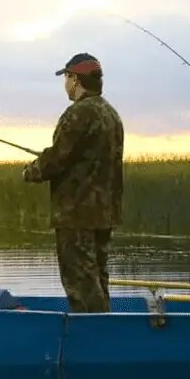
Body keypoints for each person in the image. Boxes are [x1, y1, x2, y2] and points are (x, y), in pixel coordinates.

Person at [23, 53, 124, 313]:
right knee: (98, 277)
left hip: (76, 212)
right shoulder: (111, 114)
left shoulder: (77, 113)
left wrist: (31, 170)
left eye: (66, 78)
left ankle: (92, 340)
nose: (65, 85)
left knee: (81, 283)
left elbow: (57, 158)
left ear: (75, 79)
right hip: (104, 212)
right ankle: (105, 331)